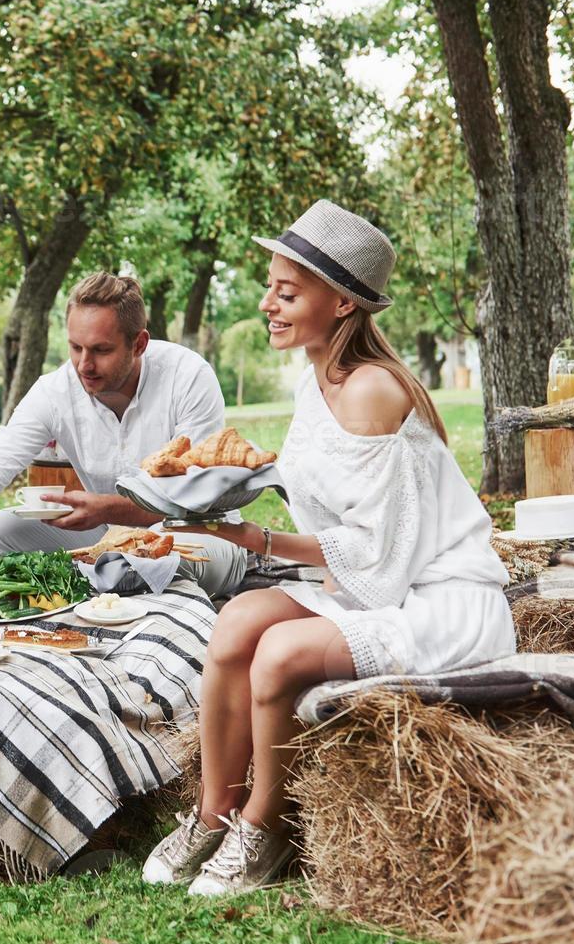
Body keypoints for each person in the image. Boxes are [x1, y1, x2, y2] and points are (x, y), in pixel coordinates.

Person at [142, 200, 514, 895]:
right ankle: (212, 812)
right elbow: (333, 498)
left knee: (279, 652)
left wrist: (253, 539)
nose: (267, 305)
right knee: (236, 623)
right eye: (270, 288)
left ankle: (266, 825)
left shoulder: (370, 390)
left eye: (287, 292)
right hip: (381, 582)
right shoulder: (315, 379)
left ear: (341, 302)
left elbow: (379, 562)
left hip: (438, 601)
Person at [0, 272, 247, 598]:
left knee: (170, 563)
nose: (84, 364)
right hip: (111, 538)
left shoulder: (188, 377)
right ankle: (94, 591)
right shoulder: (55, 390)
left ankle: (108, 591)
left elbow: (199, 498)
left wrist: (109, 507)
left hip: (201, 535)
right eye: (75, 347)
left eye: (101, 350)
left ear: (138, 344)